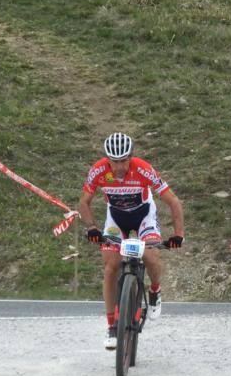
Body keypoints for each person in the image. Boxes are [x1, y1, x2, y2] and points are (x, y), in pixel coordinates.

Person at [79, 132, 185, 350]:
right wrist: (91, 227)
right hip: (116, 217)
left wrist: (178, 235)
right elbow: (83, 202)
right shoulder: (98, 171)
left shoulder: (144, 169)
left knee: (152, 257)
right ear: (107, 159)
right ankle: (111, 326)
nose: (119, 167)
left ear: (131, 157)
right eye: (114, 161)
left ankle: (154, 291)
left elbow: (174, 201)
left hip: (144, 215)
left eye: (124, 160)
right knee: (110, 267)